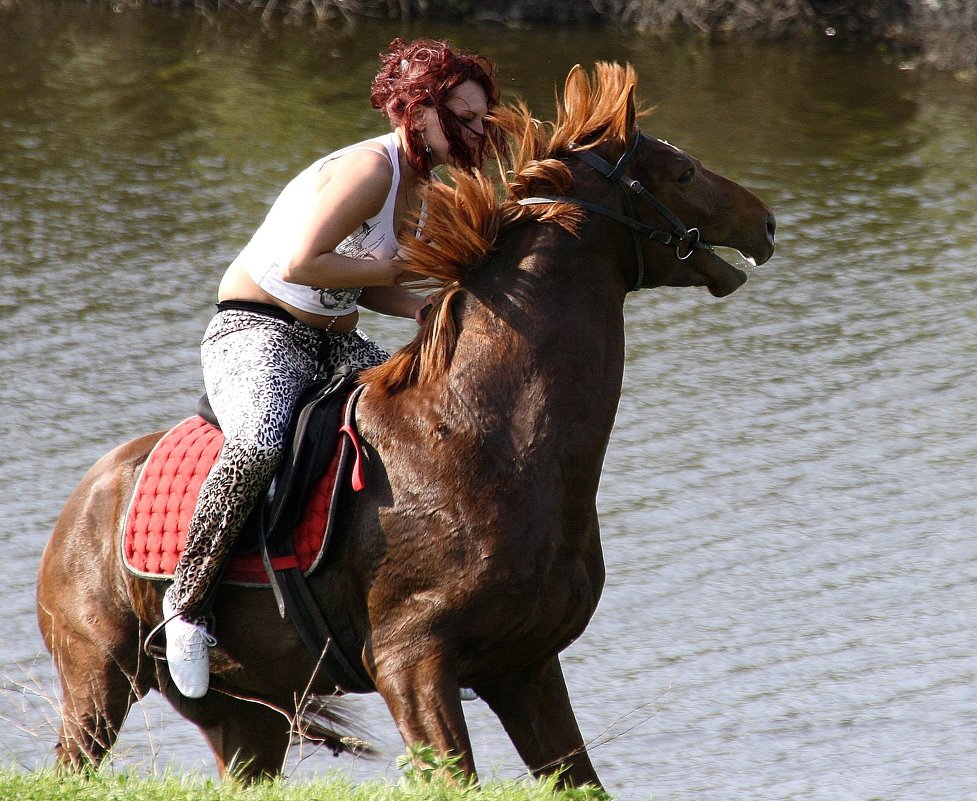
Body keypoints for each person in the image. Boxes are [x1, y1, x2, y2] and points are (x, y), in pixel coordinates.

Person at [161, 37, 505, 698]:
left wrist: (421, 309)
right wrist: (405, 268)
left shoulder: (420, 182)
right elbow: (302, 265)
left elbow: (360, 284)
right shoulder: (370, 170)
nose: (477, 129)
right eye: (462, 115)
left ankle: (431, 621)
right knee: (259, 443)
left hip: (333, 342)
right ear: (415, 110)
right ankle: (187, 606)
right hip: (256, 332)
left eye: (480, 117)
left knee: (432, 424)